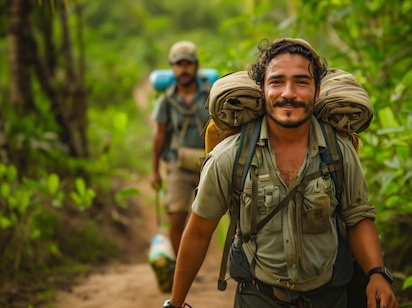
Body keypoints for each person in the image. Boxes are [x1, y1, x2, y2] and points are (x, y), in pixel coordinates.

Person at [162, 38, 398, 308]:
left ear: (317, 91)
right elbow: (199, 232)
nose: (288, 93)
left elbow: (357, 217)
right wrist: (176, 303)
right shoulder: (230, 156)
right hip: (257, 297)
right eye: (276, 82)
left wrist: (376, 274)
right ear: (262, 90)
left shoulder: (338, 152)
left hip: (330, 297)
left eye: (301, 81)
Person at [150, 40, 211, 255]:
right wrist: (155, 171)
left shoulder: (212, 94)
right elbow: (159, 136)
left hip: (209, 163)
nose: (183, 69)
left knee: (225, 216)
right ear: (172, 67)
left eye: (188, 64)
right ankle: (180, 267)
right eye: (179, 64)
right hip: (179, 164)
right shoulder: (166, 100)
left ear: (196, 65)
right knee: (176, 218)